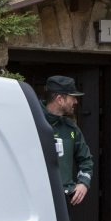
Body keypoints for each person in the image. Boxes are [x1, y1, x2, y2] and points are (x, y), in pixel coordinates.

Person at [43, 75, 93, 206]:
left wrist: (83, 183)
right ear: (60, 99)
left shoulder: (71, 127)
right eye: (73, 97)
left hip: (64, 200)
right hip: (37, 198)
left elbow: (86, 160)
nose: (76, 102)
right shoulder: (32, 121)